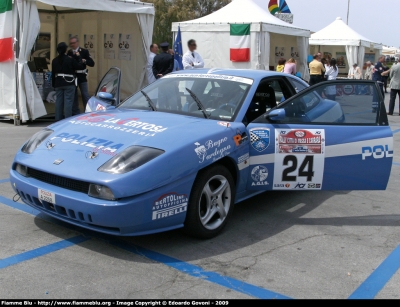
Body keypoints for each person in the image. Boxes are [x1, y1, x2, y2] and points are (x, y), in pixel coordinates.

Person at [52, 42, 85, 121]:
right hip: (69, 82)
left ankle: (58, 120)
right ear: (66, 50)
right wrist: (79, 57)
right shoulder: (70, 59)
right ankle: (67, 120)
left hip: (58, 83)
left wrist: (54, 84)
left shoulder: (54, 60)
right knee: (68, 102)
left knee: (59, 103)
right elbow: (80, 66)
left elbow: (53, 73)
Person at [68, 36, 95, 114]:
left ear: (77, 42)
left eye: (73, 43)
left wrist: (84, 60)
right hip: (73, 76)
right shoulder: (69, 52)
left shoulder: (84, 51)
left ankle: (88, 111)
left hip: (82, 75)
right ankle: (75, 111)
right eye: (71, 43)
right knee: (74, 95)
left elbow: (92, 63)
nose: (72, 45)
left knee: (85, 94)